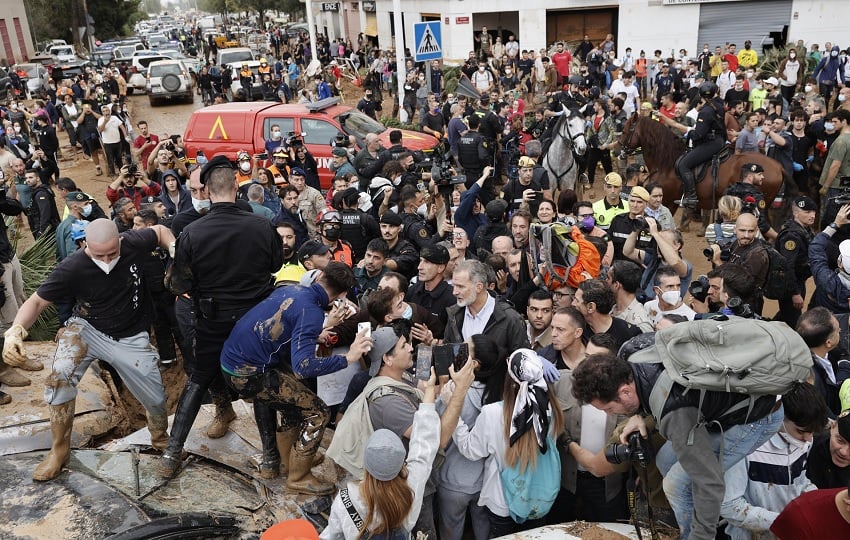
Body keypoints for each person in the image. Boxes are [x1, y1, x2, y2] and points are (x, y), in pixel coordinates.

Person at [3, 219, 175, 480]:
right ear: (85, 245)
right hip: (87, 328)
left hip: (130, 335)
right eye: (99, 255)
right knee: (60, 375)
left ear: (120, 241)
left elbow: (161, 231)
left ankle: (161, 440)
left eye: (112, 253)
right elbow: (37, 301)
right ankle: (59, 451)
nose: (106, 261)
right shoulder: (72, 267)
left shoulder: (133, 242)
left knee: (155, 398)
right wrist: (15, 330)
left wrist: (175, 248)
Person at [572, 347, 793, 540]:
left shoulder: (674, 413)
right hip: (731, 407)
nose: (613, 414)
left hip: (758, 418)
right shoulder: (634, 353)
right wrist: (638, 414)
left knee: (676, 485)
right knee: (665, 459)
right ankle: (692, 518)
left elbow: (710, 482)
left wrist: (701, 535)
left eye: (610, 409)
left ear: (625, 391)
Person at [156, 156, 283, 479]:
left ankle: (171, 456)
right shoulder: (262, 225)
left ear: (208, 191)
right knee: (258, 382)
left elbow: (179, 284)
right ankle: (270, 460)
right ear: (236, 187)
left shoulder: (192, 232)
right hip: (255, 320)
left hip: (213, 319)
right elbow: (275, 266)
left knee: (198, 379)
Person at [222, 263, 372, 495]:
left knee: (294, 404)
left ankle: (287, 462)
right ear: (342, 295)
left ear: (320, 276)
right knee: (318, 411)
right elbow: (303, 367)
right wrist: (349, 358)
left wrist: (314, 334)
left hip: (232, 362)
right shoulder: (311, 311)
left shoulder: (292, 290)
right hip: (248, 374)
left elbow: (284, 324)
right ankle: (299, 477)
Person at [452, 348, 565, 536]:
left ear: (510, 378)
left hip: (501, 501)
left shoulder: (493, 413)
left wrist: (454, 414)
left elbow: (470, 450)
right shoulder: (550, 410)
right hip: (540, 499)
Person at [321, 371, 441, 539]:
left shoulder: (347, 498)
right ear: (401, 464)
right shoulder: (410, 490)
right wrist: (429, 393)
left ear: (366, 464)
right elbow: (424, 446)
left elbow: (332, 535)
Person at [676, 82, 727, 208]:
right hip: (720, 140)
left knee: (683, 164)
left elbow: (698, 134)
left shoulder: (705, 111)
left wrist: (689, 131)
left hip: (711, 143)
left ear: (700, 95)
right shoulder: (719, 105)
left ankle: (692, 197)